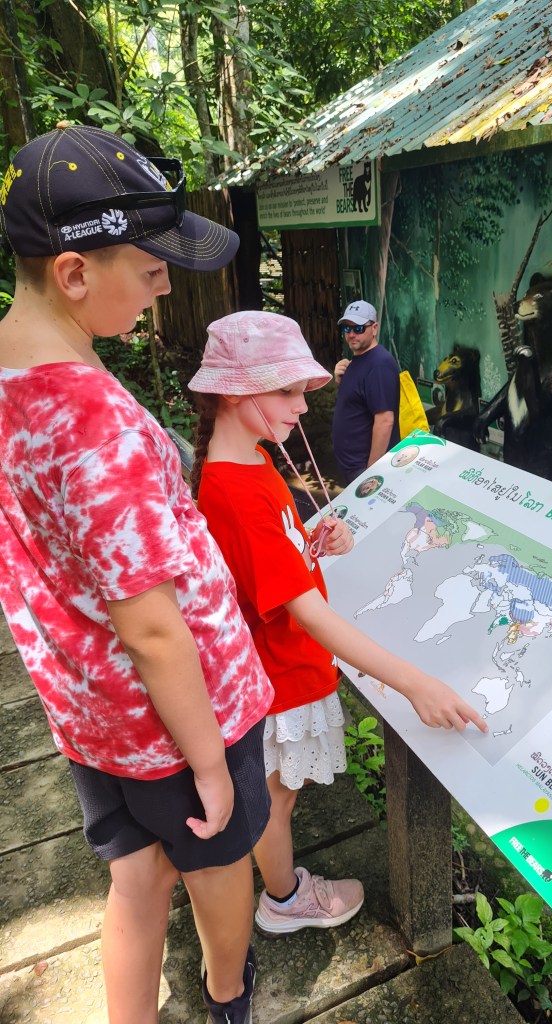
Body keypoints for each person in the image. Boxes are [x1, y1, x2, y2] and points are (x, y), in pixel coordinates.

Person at [0, 124, 274, 1024]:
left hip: (87, 709)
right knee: (216, 857)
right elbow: (153, 628)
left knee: (135, 877)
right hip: (180, 717)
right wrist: (212, 765)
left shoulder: (13, 374)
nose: (165, 289)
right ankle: (229, 994)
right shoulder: (94, 421)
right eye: (153, 270)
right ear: (74, 273)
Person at [188, 311, 489, 934]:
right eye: (287, 391)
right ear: (234, 392)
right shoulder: (235, 491)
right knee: (275, 801)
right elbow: (308, 614)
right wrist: (415, 683)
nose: (303, 406)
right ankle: (283, 898)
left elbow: (275, 557)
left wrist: (313, 539)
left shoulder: (253, 462)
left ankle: (280, 887)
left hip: (285, 666)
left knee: (279, 794)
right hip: (281, 675)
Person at [331, 300, 400, 484]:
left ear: (374, 328)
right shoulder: (358, 360)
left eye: (359, 328)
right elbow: (358, 402)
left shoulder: (379, 364)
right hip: (352, 465)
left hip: (364, 469)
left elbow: (385, 420)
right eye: (347, 328)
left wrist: (372, 472)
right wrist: (341, 379)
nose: (352, 334)